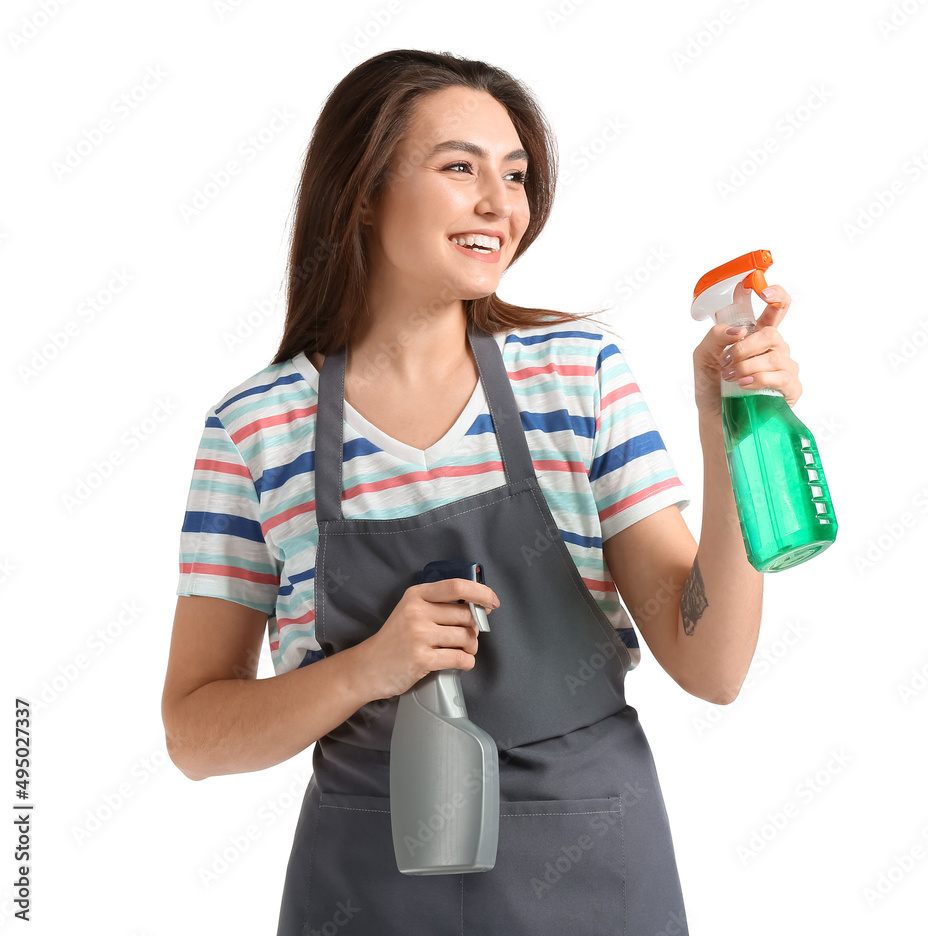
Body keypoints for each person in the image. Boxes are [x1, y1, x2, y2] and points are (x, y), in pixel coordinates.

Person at [161, 49, 802, 936]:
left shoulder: (577, 378)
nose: (502, 205)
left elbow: (714, 663)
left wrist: (725, 426)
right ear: (363, 191)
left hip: (594, 873)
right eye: (460, 167)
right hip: (367, 892)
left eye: (516, 175)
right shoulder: (256, 428)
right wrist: (368, 668)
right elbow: (195, 733)